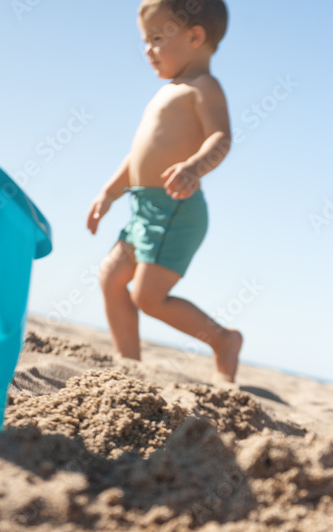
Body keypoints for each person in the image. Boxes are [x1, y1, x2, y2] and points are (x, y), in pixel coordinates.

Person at [87, 0, 243, 382]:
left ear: (194, 36)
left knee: (147, 296)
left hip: (176, 208)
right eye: (145, 40)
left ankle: (222, 340)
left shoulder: (204, 87)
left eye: (157, 38)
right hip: (144, 207)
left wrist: (195, 166)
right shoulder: (166, 91)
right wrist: (110, 192)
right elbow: (139, 155)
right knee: (110, 278)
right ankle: (129, 367)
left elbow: (221, 137)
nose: (147, 49)